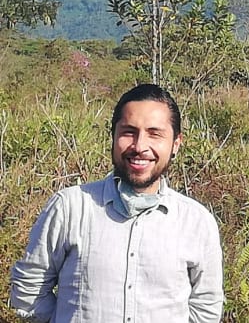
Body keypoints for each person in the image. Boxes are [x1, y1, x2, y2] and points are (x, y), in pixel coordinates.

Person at [10, 84, 224, 323]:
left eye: (155, 133)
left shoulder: (196, 221)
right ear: (112, 136)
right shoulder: (70, 207)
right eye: (129, 132)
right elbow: (29, 288)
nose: (140, 146)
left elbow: (206, 308)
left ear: (175, 144)